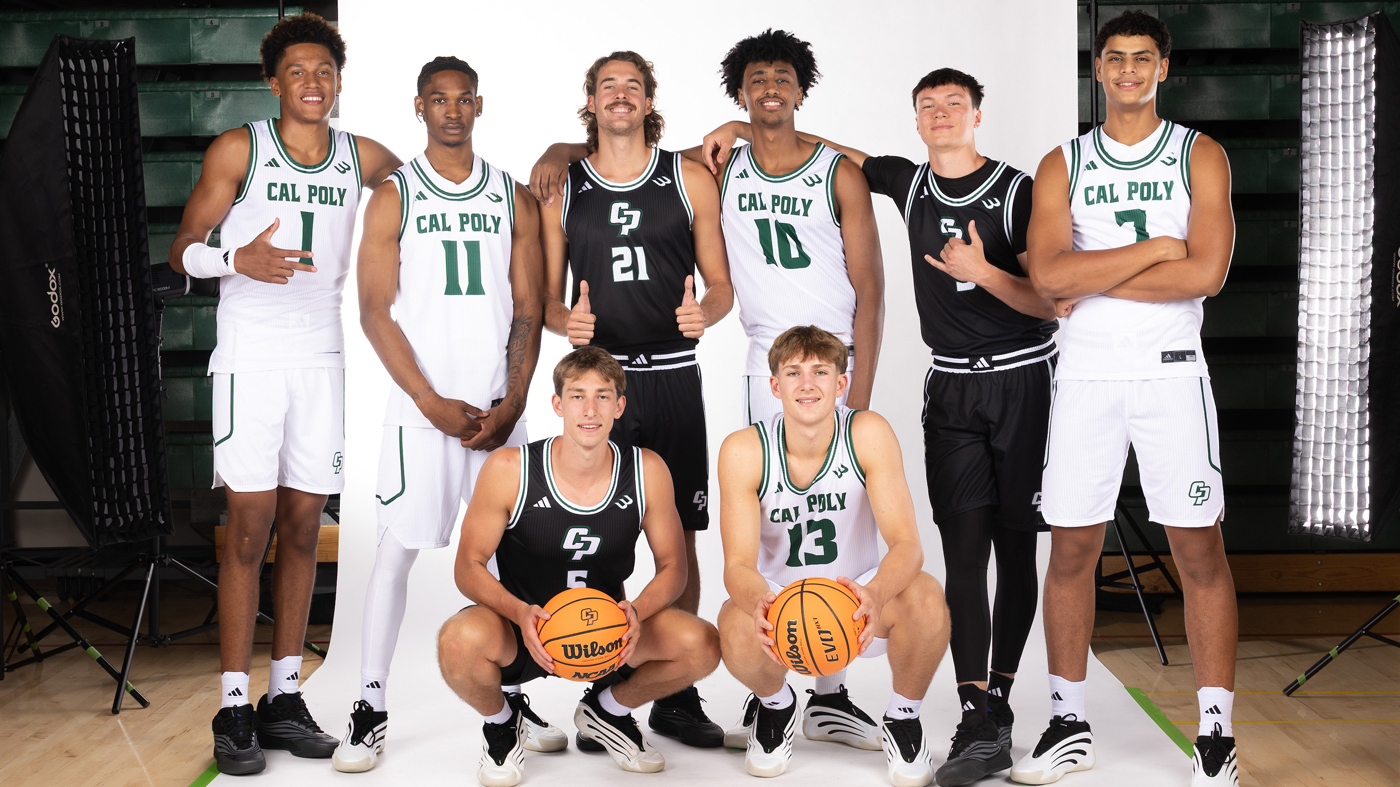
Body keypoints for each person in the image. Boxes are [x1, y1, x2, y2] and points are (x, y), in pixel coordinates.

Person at [702, 68, 1055, 786]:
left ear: (978, 114)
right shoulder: (910, 180)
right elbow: (833, 152)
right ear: (917, 121)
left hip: (1022, 371)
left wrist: (982, 272)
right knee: (959, 552)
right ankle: (826, 698)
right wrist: (747, 129)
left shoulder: (1019, 188)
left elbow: (1051, 300)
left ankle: (990, 705)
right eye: (928, 106)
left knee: (1014, 547)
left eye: (954, 104)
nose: (941, 114)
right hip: (952, 377)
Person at [167, 13, 401, 776]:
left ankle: (283, 695)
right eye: (298, 72)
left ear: (338, 80)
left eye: (325, 71)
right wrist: (239, 257)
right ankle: (233, 704)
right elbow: (182, 254)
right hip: (251, 359)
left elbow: (431, 178)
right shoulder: (240, 147)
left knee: (304, 527)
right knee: (248, 525)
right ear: (274, 81)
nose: (313, 83)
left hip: (323, 358)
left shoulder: (360, 155)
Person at [1018, 12, 1238, 787]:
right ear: (1099, 69)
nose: (1130, 70)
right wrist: (1151, 250)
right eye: (1115, 58)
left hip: (1172, 372)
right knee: (1072, 548)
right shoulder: (1064, 162)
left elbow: (1206, 273)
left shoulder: (1199, 154)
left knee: (1198, 550)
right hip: (1084, 376)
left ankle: (1215, 731)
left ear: (1164, 69)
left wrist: (1091, 271)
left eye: (1144, 58)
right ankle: (1067, 716)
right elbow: (1047, 278)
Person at [330, 57, 553, 773]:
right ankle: (369, 703)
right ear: (418, 107)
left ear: (479, 105)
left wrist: (513, 401)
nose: (451, 110)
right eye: (438, 99)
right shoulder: (394, 196)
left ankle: (512, 697)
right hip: (421, 413)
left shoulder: (512, 197)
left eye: (462, 99)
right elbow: (372, 310)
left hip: (496, 410)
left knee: (516, 561)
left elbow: (527, 308)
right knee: (394, 554)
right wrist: (429, 400)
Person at [528, 51, 734, 747]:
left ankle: (674, 693)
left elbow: (723, 284)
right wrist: (566, 323)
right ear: (590, 100)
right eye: (608, 85)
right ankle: (598, 683)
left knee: (683, 540)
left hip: (673, 373)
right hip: (600, 385)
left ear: (649, 100)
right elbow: (549, 300)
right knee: (601, 538)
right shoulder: (565, 186)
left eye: (633, 86)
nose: (621, 95)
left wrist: (707, 312)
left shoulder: (689, 178)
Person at [437, 347, 722, 786]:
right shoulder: (512, 468)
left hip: (606, 634)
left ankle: (607, 712)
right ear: (557, 404)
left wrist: (637, 614)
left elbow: (673, 568)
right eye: (577, 396)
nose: (590, 410)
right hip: (523, 634)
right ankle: (502, 723)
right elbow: (468, 566)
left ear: (620, 406)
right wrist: (519, 613)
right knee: (457, 642)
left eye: (603, 397)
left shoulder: (646, 469)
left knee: (701, 643)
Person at [716, 326, 950, 787]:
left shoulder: (866, 431)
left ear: (840, 384)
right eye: (794, 372)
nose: (807, 384)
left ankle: (903, 718)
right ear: (774, 385)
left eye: (821, 371)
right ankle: (779, 707)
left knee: (925, 597)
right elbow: (738, 566)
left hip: (860, 593)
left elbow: (908, 545)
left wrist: (876, 593)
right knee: (733, 622)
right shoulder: (744, 450)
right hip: (784, 601)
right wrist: (763, 601)